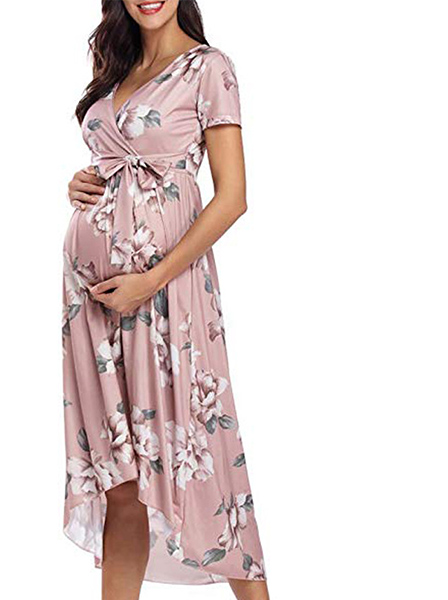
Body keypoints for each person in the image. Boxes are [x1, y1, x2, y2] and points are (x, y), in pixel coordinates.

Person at [62, 2, 270, 599]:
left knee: (203, 459)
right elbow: (120, 164)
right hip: (92, 309)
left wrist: (150, 281)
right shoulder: (115, 65)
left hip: (166, 298)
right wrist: (82, 182)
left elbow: (232, 197)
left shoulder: (209, 67)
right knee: (120, 482)